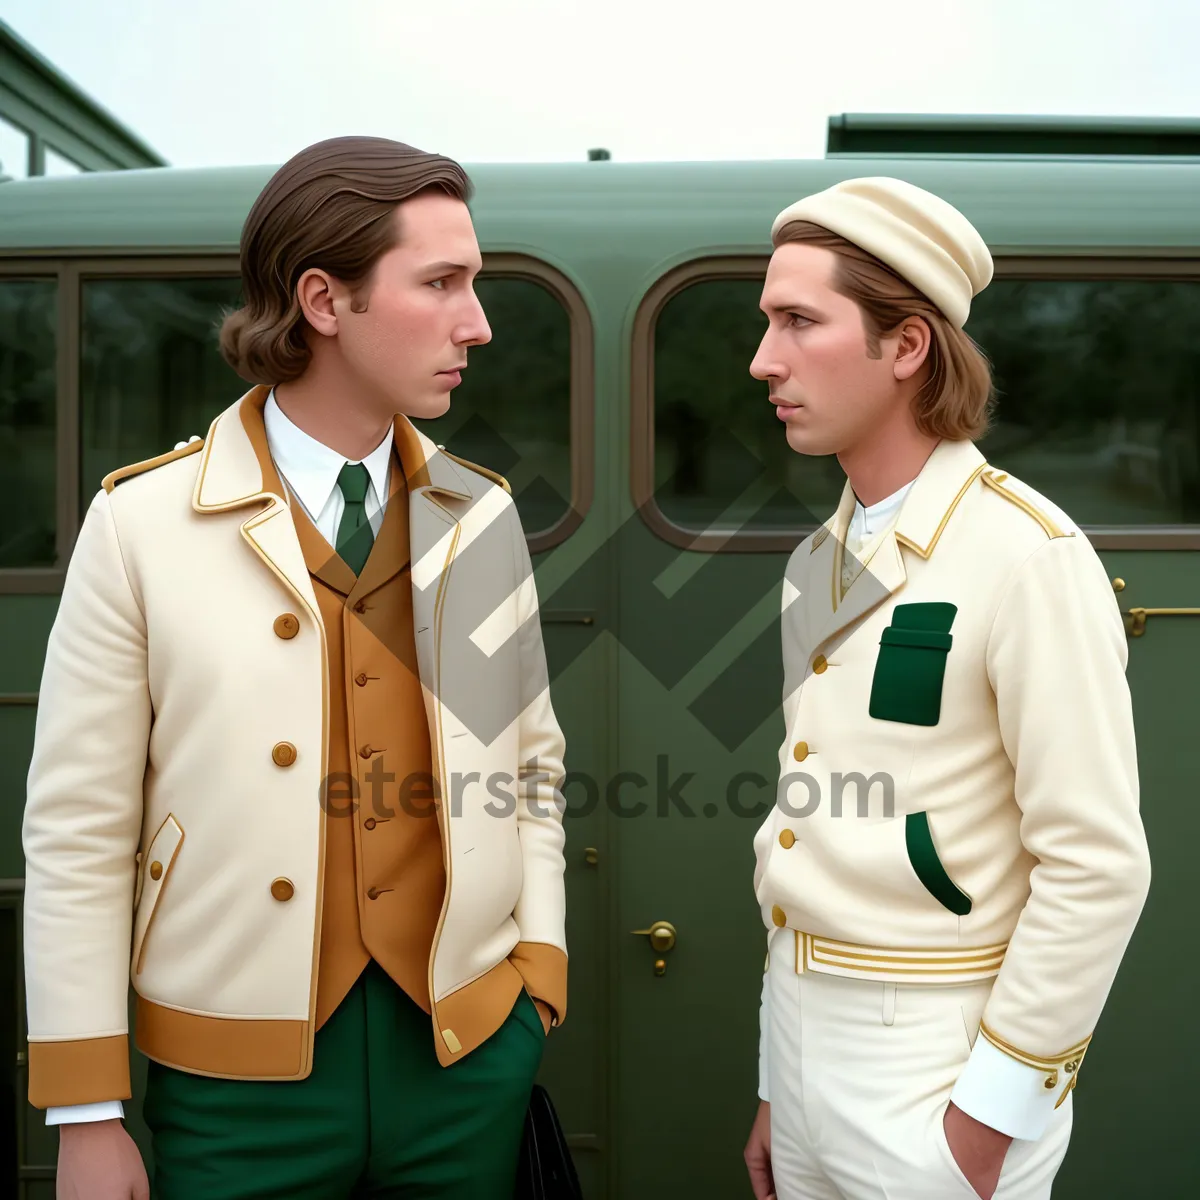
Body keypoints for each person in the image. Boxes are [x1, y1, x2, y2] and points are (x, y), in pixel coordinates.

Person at [22, 135, 569, 1199]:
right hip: (231, 1086)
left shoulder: (481, 516)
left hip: (465, 1061)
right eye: (443, 283)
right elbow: (79, 824)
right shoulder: (141, 524)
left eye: (477, 284)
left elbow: (530, 766)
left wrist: (536, 972)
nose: (479, 323)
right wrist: (87, 1107)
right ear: (324, 300)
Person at [741, 177, 1150, 1200]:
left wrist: (988, 1120)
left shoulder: (1029, 557)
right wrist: (777, 1079)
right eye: (766, 323)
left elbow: (1096, 866)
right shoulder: (814, 561)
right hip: (801, 1030)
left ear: (907, 346)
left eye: (800, 321)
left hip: (936, 1055)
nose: (764, 360)